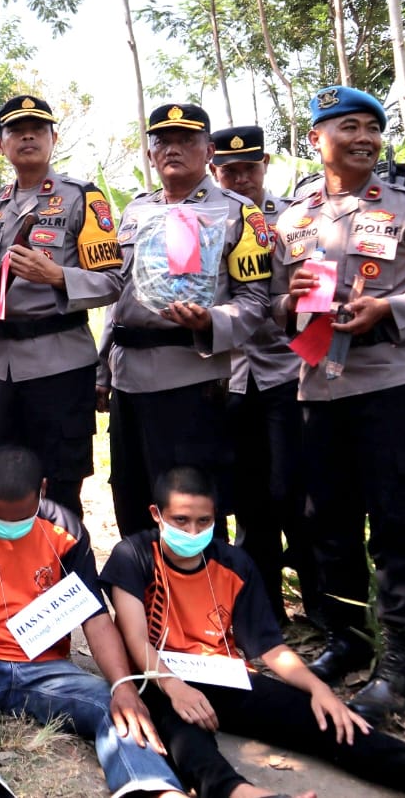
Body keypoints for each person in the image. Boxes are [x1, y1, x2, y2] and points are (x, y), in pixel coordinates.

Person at [102, 465, 405, 798]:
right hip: (158, 678)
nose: (192, 532)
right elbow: (136, 637)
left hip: (223, 677)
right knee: (181, 735)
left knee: (333, 721)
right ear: (157, 515)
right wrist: (175, 687)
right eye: (181, 521)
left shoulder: (234, 563)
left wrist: (317, 689)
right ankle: (239, 792)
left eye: (203, 521)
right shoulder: (133, 555)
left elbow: (269, 647)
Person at [270, 86, 405, 720]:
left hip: (391, 388)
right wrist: (287, 302)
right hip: (317, 391)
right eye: (349, 126)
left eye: (372, 128)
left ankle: (403, 669)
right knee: (329, 526)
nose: (364, 138)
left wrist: (389, 309)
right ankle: (347, 641)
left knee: (398, 526)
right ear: (316, 139)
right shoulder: (293, 218)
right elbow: (276, 307)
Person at [0, 445, 185, 798]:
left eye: (21, 519)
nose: (10, 528)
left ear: (42, 489)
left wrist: (123, 686)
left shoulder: (66, 531)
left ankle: (149, 785)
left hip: (45, 668)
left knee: (112, 703)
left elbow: (97, 621)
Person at [100, 104, 271, 538]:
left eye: (186, 140)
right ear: (152, 152)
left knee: (189, 508)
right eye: (163, 141)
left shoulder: (237, 213)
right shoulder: (137, 210)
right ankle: (142, 598)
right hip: (127, 381)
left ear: (209, 151)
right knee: (132, 500)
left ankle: (201, 603)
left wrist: (210, 320)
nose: (172, 149)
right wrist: (102, 369)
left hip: (190, 380)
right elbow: (117, 297)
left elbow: (255, 302)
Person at [0, 94, 124, 516]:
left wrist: (55, 276)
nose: (28, 135)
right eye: (16, 130)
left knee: (58, 486)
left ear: (53, 138)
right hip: (0, 366)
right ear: (1, 145)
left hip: (60, 365)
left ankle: (63, 578)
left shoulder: (82, 199)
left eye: (37, 128)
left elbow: (113, 281)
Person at [209, 125, 317, 625]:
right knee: (245, 500)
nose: (240, 177)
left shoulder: (292, 219)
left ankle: (321, 609)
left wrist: (281, 304)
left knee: (293, 494)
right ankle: (264, 612)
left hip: (283, 373)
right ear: (214, 169)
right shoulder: (202, 219)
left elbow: (307, 295)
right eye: (229, 170)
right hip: (225, 377)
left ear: (265, 165)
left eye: (249, 167)